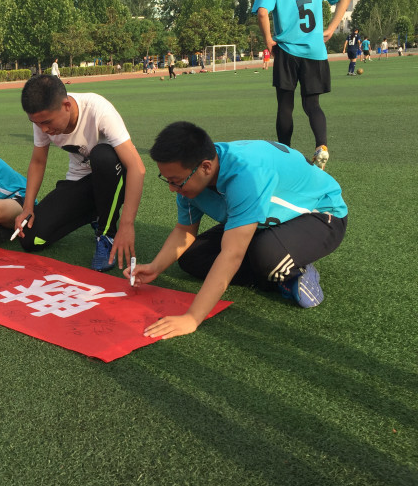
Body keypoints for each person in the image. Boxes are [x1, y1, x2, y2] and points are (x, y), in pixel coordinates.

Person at [128, 121, 348, 341]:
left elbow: (232, 254)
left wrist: (192, 317)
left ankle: (295, 272)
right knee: (191, 257)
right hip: (265, 221)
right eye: (167, 180)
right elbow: (184, 230)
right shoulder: (192, 177)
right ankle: (271, 266)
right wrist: (155, 267)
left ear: (206, 167)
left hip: (321, 216)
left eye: (176, 181)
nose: (172, 188)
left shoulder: (245, 175)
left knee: (267, 256)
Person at [14, 74, 146, 272]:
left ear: (66, 106)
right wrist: (28, 207)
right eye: (37, 123)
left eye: (47, 122)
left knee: (102, 156)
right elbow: (38, 162)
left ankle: (106, 234)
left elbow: (137, 168)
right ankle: (96, 213)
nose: (44, 129)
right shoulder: (42, 119)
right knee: (31, 239)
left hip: (116, 179)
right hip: (81, 181)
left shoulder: (98, 110)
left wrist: (127, 224)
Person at [252, 0, 350, 171]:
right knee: (312, 105)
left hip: (287, 50)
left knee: (285, 105)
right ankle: (321, 146)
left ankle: (285, 154)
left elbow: (263, 13)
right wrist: (331, 28)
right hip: (315, 50)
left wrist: (269, 41)